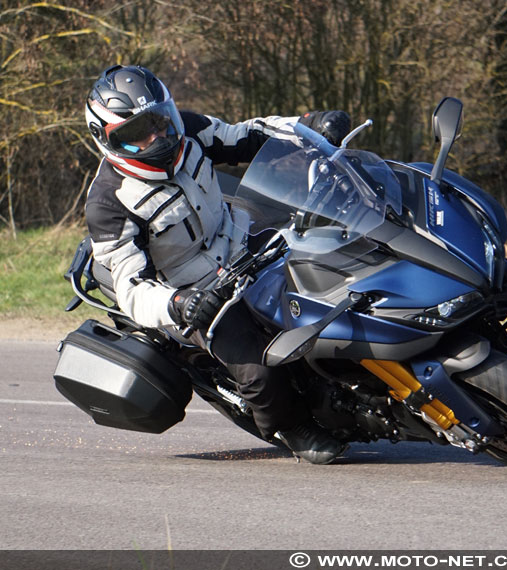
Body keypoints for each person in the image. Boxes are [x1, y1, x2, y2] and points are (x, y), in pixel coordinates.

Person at [83, 64, 352, 464]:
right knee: (259, 372)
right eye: (136, 132)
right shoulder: (108, 203)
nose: (156, 136)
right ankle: (292, 427)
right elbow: (131, 288)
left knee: (336, 267)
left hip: (244, 240)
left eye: (159, 120)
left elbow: (246, 134)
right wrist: (179, 304)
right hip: (196, 292)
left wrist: (308, 125)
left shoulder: (186, 132)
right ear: (108, 139)